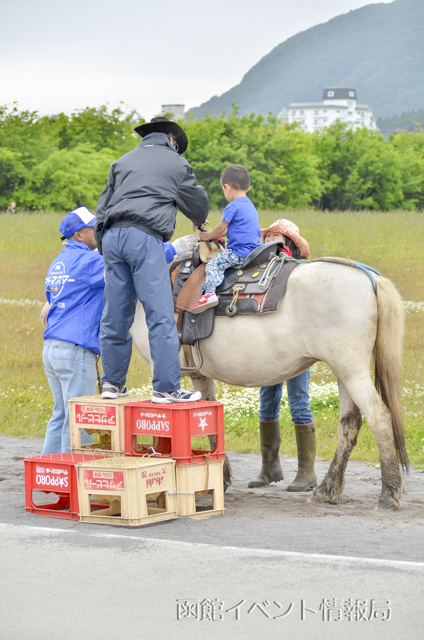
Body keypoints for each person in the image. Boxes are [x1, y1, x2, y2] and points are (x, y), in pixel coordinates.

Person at [94, 116, 209, 403]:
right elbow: (197, 204)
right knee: (160, 315)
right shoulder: (177, 163)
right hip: (144, 238)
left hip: (112, 238)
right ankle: (167, 388)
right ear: (172, 140)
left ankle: (112, 384)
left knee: (116, 314)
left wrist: (103, 247)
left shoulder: (120, 162)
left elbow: (102, 208)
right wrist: (199, 220)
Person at [248, 219, 317, 492]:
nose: (271, 240)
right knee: (266, 404)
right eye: (269, 236)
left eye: (277, 236)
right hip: (270, 347)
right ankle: (270, 467)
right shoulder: (262, 269)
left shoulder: (300, 273)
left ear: (288, 242)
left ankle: (307, 472)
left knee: (299, 403)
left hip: (296, 347)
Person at [41, 207, 104, 454]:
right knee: (80, 419)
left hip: (52, 348)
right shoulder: (89, 262)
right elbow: (127, 265)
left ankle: (50, 476)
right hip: (74, 350)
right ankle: (77, 482)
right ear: (79, 235)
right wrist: (172, 249)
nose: (97, 231)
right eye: (93, 227)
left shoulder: (60, 261)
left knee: (61, 414)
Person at [189, 164, 261, 314]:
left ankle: (209, 293)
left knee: (214, 263)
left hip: (239, 253)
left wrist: (208, 236)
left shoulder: (232, 206)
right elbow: (231, 230)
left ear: (227, 187)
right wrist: (213, 234)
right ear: (247, 188)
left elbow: (221, 228)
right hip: (255, 250)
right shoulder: (249, 205)